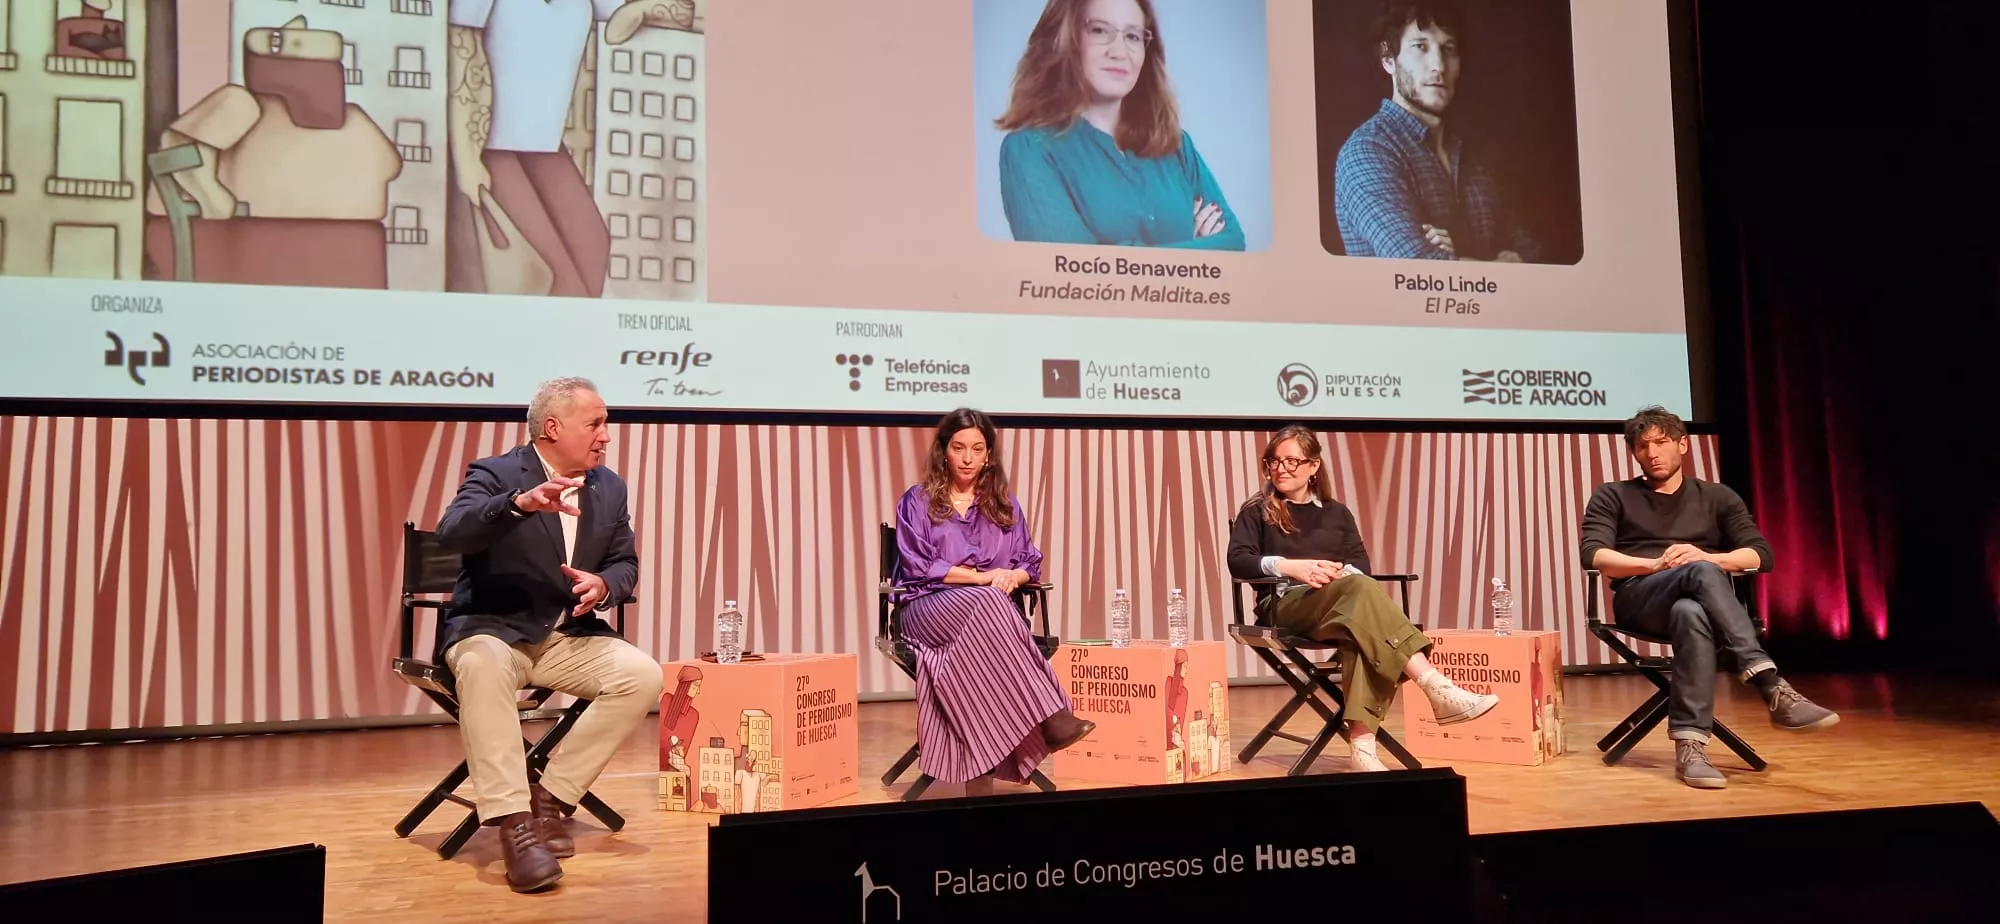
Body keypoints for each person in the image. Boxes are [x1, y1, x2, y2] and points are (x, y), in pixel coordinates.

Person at [433, 377, 663, 892]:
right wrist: (518, 504)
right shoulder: (496, 473)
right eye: (596, 423)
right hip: (494, 631)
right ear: (553, 428)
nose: (607, 435)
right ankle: (514, 824)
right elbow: (454, 531)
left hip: (564, 638)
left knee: (642, 675)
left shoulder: (610, 486)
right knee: (484, 666)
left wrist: (605, 585)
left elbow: (625, 562)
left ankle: (552, 798)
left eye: (606, 423)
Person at [1579, 406, 1838, 790]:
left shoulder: (1717, 497)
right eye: (1642, 446)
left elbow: (1759, 555)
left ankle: (1691, 746)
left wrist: (1708, 557)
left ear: (1683, 444)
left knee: (1690, 610)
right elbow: (1595, 555)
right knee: (1697, 575)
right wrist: (1656, 565)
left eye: (1662, 443)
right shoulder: (1613, 495)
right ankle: (1770, 684)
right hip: (1641, 599)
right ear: (1634, 452)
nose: (1652, 453)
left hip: (1701, 602)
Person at [1227, 425, 1498, 771]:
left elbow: (1361, 564)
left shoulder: (1336, 513)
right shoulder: (1257, 510)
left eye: (1292, 461)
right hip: (1284, 608)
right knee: (1362, 596)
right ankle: (1435, 685)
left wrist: (1337, 576)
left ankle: (1362, 748)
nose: (1281, 468)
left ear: (1313, 466)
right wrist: (1293, 567)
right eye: (1273, 461)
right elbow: (1238, 559)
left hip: (1339, 607)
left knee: (1361, 629)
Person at [891, 408, 1095, 795]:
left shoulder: (1004, 505)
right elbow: (919, 565)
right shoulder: (916, 502)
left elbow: (1029, 562)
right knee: (989, 601)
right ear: (943, 451)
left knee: (990, 608)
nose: (967, 458)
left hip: (989, 621)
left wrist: (1011, 576)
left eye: (977, 449)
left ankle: (981, 771)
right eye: (958, 448)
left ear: (989, 455)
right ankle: (1051, 715)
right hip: (927, 607)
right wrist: (984, 578)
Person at [994, 0, 1245, 250]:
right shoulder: (1030, 151)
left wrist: (1124, 252)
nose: (1120, 52)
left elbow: (1233, 243)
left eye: (1133, 37)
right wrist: (1197, 250)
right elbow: (1077, 274)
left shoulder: (1177, 147)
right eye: (1099, 30)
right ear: (1064, 40)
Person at [1333, 1, 1539, 262]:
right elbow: (1416, 267)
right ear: (1389, 60)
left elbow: (1532, 258)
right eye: (1420, 47)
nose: (1439, 65)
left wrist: (1459, 260)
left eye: (1448, 49)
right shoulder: (1367, 151)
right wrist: (1497, 268)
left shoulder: (1477, 156)